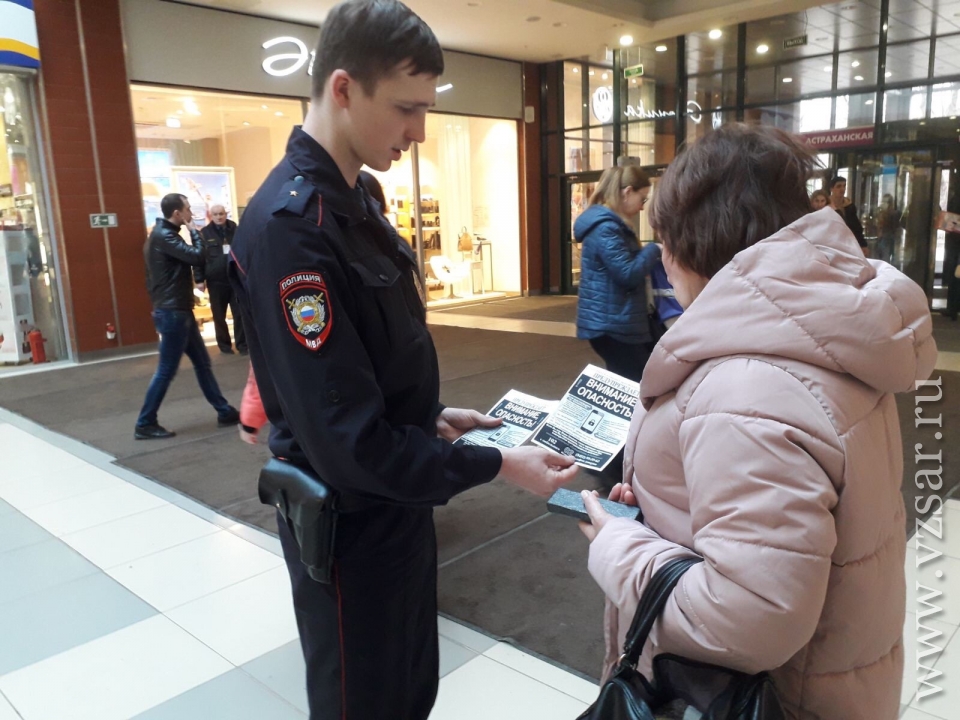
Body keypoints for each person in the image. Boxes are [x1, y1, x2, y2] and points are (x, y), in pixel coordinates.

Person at [227, 2, 578, 718]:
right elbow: (349, 442)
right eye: (406, 109)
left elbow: (364, 369)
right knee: (366, 702)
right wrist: (501, 464)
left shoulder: (358, 197)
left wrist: (431, 414)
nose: (419, 133)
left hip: (398, 508)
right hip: (351, 524)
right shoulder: (296, 231)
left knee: (410, 691)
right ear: (344, 89)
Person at [578, 124, 936, 719]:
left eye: (662, 240)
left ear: (688, 244)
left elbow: (748, 619)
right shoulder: (826, 332)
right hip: (830, 682)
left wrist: (622, 549)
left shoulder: (746, 385)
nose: (662, 261)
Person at [135, 193, 239, 439]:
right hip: (173, 312)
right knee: (166, 370)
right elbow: (199, 256)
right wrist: (195, 231)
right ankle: (145, 422)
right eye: (188, 209)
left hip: (177, 310)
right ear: (177, 213)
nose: (191, 213)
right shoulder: (164, 237)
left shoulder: (160, 237)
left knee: (202, 363)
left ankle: (223, 410)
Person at [575, 165, 661, 383]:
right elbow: (628, 274)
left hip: (615, 322)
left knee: (629, 383)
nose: (643, 207)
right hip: (614, 325)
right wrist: (654, 249)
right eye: (643, 199)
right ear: (627, 192)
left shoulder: (607, 225)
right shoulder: (605, 228)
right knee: (639, 385)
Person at [195, 204, 247, 355]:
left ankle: (242, 345)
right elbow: (199, 259)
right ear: (211, 216)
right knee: (219, 315)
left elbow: (243, 252)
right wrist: (199, 279)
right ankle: (224, 346)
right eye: (216, 214)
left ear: (226, 214)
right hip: (216, 281)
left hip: (234, 278)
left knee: (239, 314)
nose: (219, 217)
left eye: (221, 214)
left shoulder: (235, 230)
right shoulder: (205, 233)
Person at [829, 175, 868, 253]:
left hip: (848, 243)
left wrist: (862, 244)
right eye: (839, 186)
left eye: (844, 186)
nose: (842, 189)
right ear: (832, 189)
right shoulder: (826, 204)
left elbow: (856, 227)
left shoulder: (849, 206)